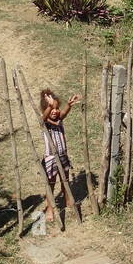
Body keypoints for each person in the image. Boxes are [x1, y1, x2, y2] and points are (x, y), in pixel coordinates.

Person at [39, 89, 81, 222]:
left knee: (65, 180)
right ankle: (50, 209)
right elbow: (44, 117)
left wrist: (68, 105)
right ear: (45, 110)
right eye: (51, 108)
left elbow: (63, 113)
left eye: (56, 108)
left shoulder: (59, 120)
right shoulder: (44, 123)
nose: (55, 111)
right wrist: (50, 105)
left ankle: (67, 198)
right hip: (51, 158)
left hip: (63, 156)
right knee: (51, 184)